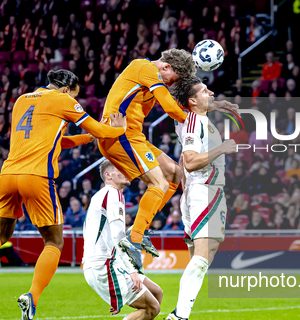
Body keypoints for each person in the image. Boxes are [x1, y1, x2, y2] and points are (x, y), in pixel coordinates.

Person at [0, 69, 130, 320]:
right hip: (38, 176)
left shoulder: (22, 100)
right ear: (67, 89)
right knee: (54, 242)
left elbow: (49, 139)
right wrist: (118, 128)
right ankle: (32, 297)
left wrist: (83, 139)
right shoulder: (63, 100)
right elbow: (100, 129)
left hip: (9, 174)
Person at [99, 49, 236, 263]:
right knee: (159, 183)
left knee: (174, 173)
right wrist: (197, 120)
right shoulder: (144, 68)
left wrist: (215, 105)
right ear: (166, 67)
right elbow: (171, 107)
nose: (171, 85)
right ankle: (134, 239)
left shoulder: (152, 77)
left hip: (133, 137)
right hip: (120, 135)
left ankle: (139, 230)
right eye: (173, 79)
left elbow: (181, 102)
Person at [165, 76, 237, 320]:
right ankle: (180, 315)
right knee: (204, 254)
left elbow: (194, 104)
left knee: (203, 254)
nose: (212, 92)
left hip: (199, 190)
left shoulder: (190, 118)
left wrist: (217, 105)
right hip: (205, 188)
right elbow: (191, 161)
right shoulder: (195, 122)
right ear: (192, 101)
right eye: (206, 91)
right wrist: (223, 148)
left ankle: (181, 314)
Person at [83, 160, 163, 320]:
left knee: (156, 293)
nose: (127, 172)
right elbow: (117, 235)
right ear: (108, 175)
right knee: (151, 308)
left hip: (104, 262)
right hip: (105, 264)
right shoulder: (112, 194)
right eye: (120, 169)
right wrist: (132, 270)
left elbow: (111, 233)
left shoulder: (100, 196)